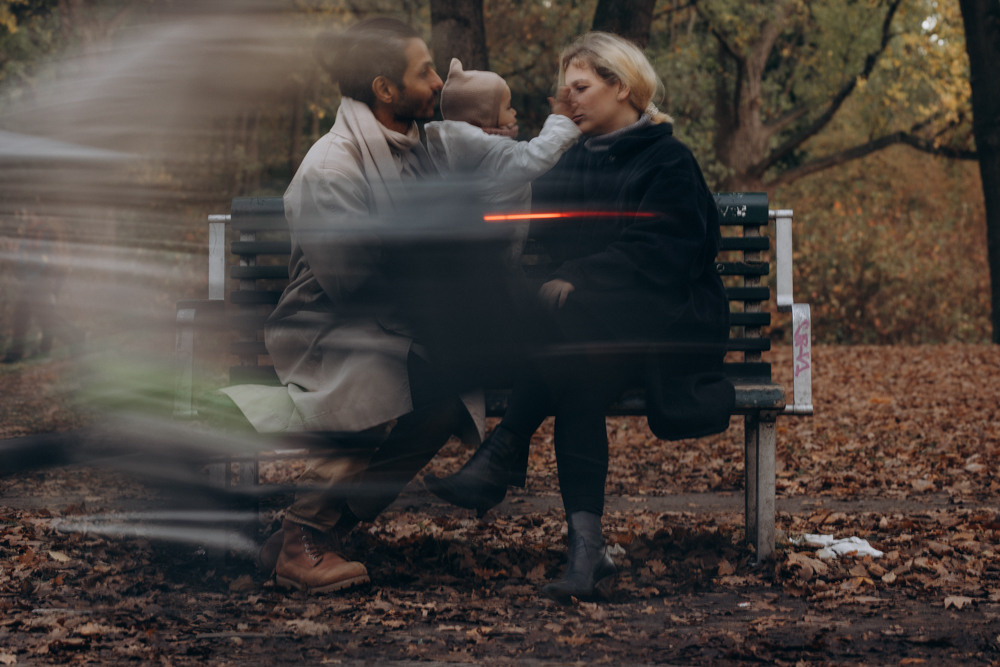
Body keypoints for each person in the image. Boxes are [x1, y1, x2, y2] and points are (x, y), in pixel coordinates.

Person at [425, 32, 734, 603]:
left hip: (670, 322)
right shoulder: (574, 160)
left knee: (576, 346)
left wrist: (580, 277)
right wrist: (491, 153)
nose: (569, 100)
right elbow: (538, 228)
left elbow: (668, 250)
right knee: (580, 369)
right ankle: (586, 552)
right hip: (595, 332)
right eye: (565, 90)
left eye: (582, 87)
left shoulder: (668, 159)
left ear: (623, 88)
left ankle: (506, 451)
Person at [221, 17, 483, 595]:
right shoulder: (332, 165)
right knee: (375, 369)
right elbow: (353, 283)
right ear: (385, 89)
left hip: (394, 321)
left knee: (451, 397)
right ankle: (302, 542)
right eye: (424, 72)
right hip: (326, 325)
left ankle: (319, 528)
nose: (438, 82)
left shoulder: (418, 148)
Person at [423, 58, 581, 257]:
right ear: (480, 121)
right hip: (497, 254)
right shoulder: (494, 154)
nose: (514, 111)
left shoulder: (464, 152)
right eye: (507, 107)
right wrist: (561, 120)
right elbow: (536, 156)